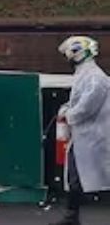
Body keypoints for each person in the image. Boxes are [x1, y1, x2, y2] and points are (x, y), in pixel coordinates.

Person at [50, 36, 110, 225]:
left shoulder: (95, 78)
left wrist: (68, 114)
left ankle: (71, 216)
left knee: (100, 180)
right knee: (75, 177)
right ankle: (71, 217)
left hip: (95, 137)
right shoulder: (85, 75)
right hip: (84, 137)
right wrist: (68, 108)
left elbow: (86, 108)